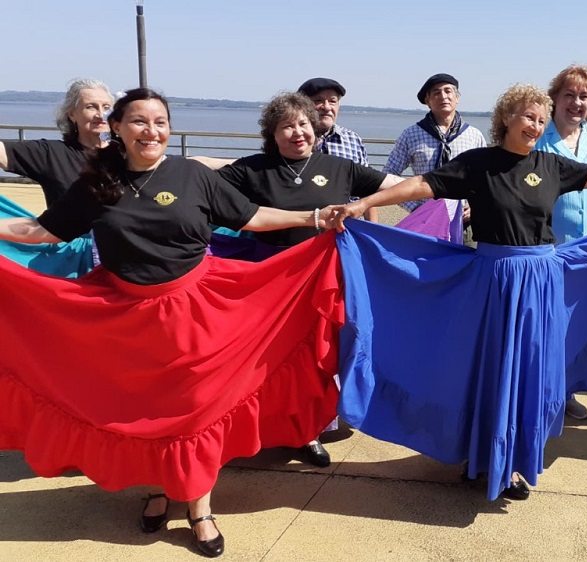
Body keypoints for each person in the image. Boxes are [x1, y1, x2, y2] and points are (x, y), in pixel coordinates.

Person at [0, 88, 347, 558]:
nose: (152, 131)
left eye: (160, 122)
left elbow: (249, 217)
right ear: (117, 128)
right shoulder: (97, 182)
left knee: (194, 414)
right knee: (144, 413)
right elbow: (42, 230)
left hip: (195, 315)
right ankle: (157, 490)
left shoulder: (190, 174)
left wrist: (314, 217)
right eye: (139, 121)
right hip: (126, 321)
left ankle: (200, 509)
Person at [328, 83, 587, 501]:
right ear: (507, 118)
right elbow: (421, 184)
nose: (536, 126)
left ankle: (510, 460)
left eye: (542, 120)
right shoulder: (479, 164)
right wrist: (363, 204)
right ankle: (482, 456)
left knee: (529, 373)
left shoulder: (550, 164)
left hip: (542, 280)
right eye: (529, 117)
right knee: (492, 371)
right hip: (494, 282)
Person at [214, 92, 401, 466]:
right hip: (270, 281)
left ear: (314, 128)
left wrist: (450, 195)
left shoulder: (339, 168)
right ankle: (259, 429)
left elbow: (395, 184)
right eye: (287, 126)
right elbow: (199, 184)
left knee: (316, 358)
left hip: (324, 280)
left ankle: (307, 432)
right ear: (272, 133)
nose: (297, 132)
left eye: (303, 124)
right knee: (269, 360)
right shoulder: (253, 169)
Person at [532, 64, 587, 421]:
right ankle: (540, 395)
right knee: (546, 326)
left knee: (577, 325)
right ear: (554, 99)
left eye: (584, 96)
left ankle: (565, 391)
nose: (576, 102)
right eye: (568, 95)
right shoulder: (539, 137)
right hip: (548, 251)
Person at [0, 78, 114, 276]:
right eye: (90, 107)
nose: (100, 114)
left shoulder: (128, 156)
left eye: (106, 107)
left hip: (119, 259)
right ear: (72, 114)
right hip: (68, 263)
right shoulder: (50, 153)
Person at [382, 73, 486, 243]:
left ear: (457, 98)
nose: (443, 96)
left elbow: (487, 180)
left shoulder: (474, 136)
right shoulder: (411, 135)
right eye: (436, 93)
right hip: (426, 223)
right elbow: (389, 175)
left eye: (448, 91)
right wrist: (415, 207)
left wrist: (477, 206)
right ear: (428, 101)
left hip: (465, 224)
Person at [297, 77, 379, 223]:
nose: (326, 107)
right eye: (318, 101)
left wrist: (373, 229)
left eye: (332, 101)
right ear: (302, 106)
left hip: (349, 227)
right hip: (306, 224)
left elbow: (368, 190)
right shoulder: (294, 141)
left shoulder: (353, 140)